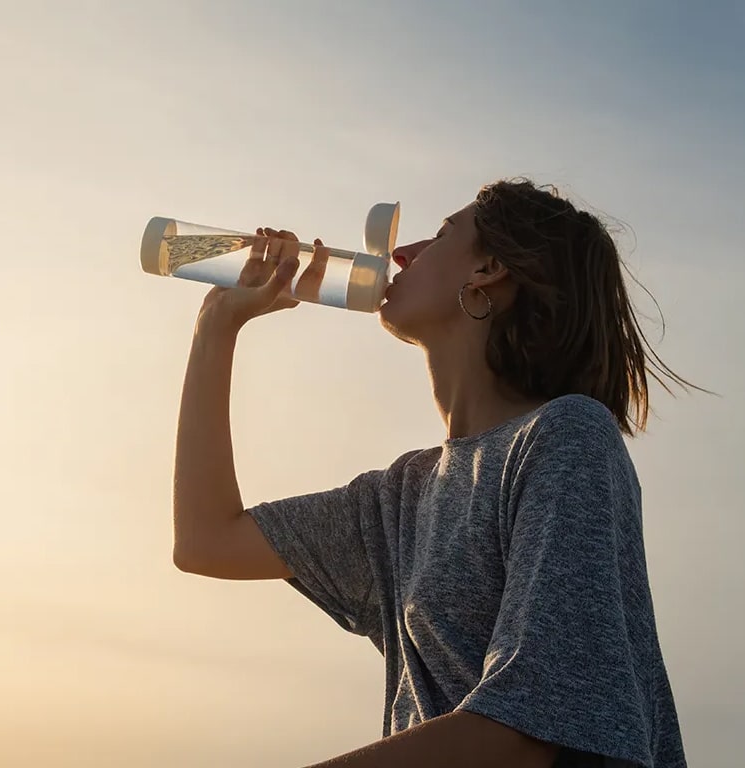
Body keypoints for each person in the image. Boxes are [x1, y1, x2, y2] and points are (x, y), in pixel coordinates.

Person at [171, 178, 690, 768]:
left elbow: (530, 735)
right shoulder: (403, 495)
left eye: (442, 234)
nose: (400, 254)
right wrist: (216, 328)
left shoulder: (567, 437)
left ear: (489, 269)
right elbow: (207, 541)